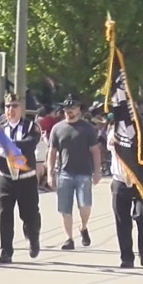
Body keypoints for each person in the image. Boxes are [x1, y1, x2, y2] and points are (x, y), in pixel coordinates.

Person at [0, 91, 43, 263]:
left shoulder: (31, 126)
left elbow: (30, 143)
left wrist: (9, 145)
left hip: (26, 178)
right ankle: (6, 251)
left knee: (30, 215)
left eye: (15, 106)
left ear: (21, 108)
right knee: (4, 215)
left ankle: (33, 237)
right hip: (5, 178)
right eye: (8, 106)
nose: (11, 109)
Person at [47, 94, 102, 250]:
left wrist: (97, 171)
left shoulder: (87, 128)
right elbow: (52, 152)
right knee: (65, 208)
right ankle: (69, 238)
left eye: (72, 108)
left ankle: (83, 227)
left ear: (79, 110)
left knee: (85, 206)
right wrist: (50, 173)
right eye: (67, 109)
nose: (69, 111)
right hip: (64, 172)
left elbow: (95, 151)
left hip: (84, 172)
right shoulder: (57, 129)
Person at [110, 114, 143, 268]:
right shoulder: (114, 133)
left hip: (141, 181)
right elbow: (111, 147)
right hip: (120, 180)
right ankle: (126, 257)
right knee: (121, 220)